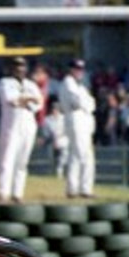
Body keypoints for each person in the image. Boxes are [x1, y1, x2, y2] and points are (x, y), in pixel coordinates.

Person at [0, 56, 43, 203]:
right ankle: (3, 192)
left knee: (22, 161)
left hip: (28, 123)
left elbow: (38, 103)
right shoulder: (4, 82)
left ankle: (17, 193)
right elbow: (11, 100)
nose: (20, 69)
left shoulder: (31, 84)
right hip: (12, 124)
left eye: (22, 67)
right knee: (7, 159)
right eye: (16, 67)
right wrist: (28, 99)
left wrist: (25, 99)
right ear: (11, 68)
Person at [58, 59, 97, 199]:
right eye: (76, 68)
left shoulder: (81, 86)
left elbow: (92, 103)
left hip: (84, 120)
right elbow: (78, 102)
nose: (79, 71)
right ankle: (84, 189)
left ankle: (74, 189)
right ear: (70, 69)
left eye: (81, 69)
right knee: (83, 155)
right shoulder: (68, 83)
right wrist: (87, 104)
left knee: (78, 155)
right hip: (76, 118)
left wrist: (87, 104)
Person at [39, 97, 69, 176]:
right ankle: (53, 167)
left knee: (64, 148)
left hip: (63, 139)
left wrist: (58, 137)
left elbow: (67, 131)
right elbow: (46, 133)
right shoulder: (47, 120)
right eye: (53, 109)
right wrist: (51, 138)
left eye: (56, 109)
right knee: (50, 149)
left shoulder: (64, 118)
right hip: (51, 140)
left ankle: (60, 168)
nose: (54, 111)